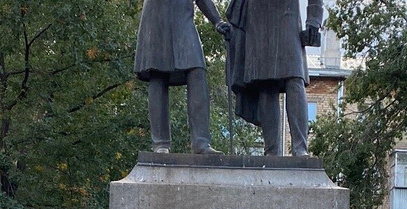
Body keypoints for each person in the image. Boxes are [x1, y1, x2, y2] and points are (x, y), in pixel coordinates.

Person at [225, 0, 323, 156]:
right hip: (257, 17)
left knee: (295, 78)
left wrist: (314, 19)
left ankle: (300, 148)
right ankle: (272, 151)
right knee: (265, 82)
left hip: (287, 15)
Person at [135, 0, 231, 154]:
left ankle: (201, 142)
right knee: (158, 74)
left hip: (183, 20)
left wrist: (217, 20)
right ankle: (160, 143)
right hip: (156, 18)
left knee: (197, 70)